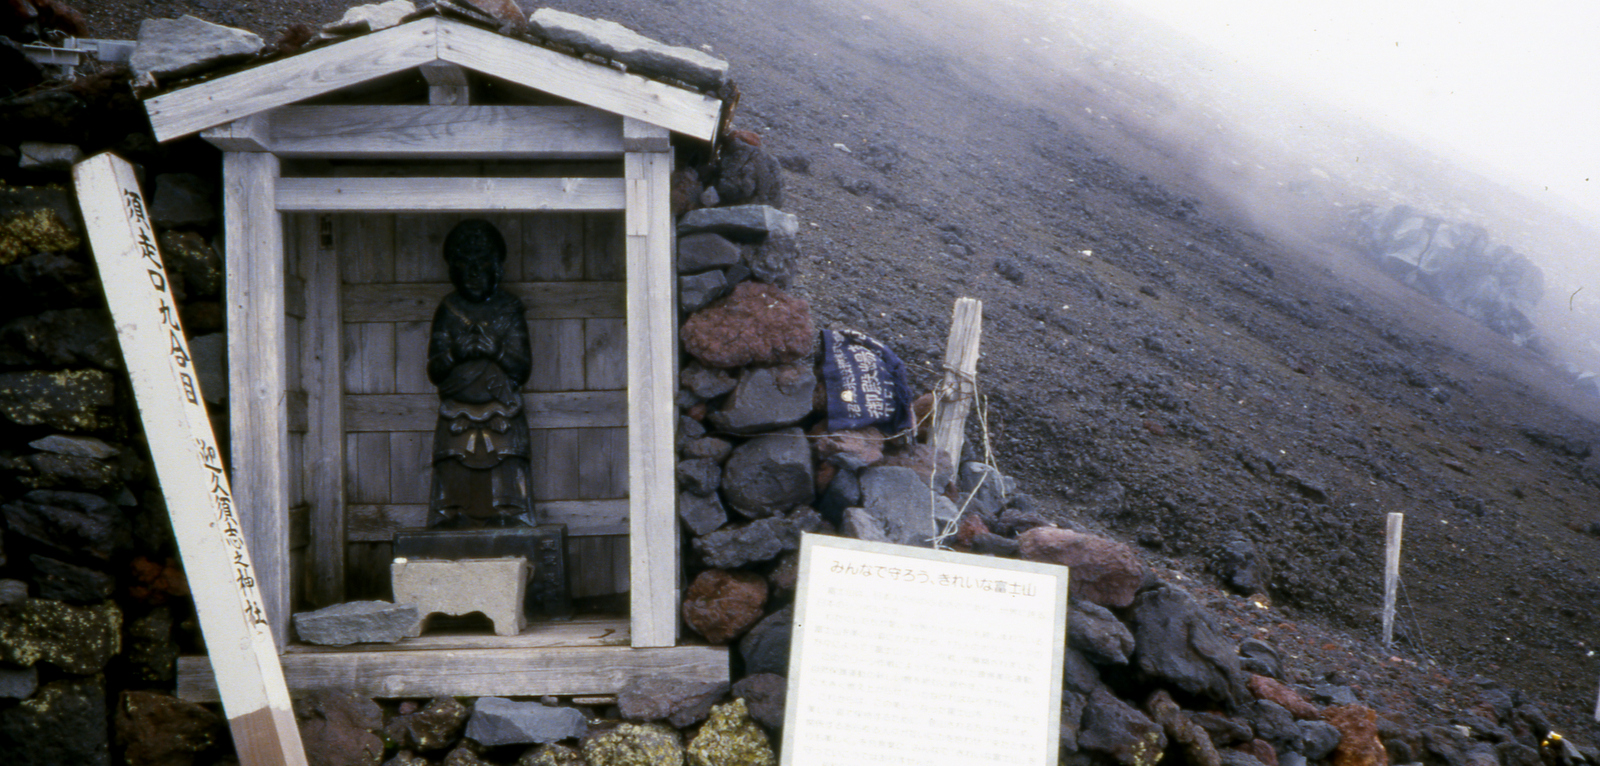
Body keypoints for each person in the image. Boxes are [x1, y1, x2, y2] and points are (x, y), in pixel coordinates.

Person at [426, 220, 536, 528]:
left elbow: (522, 368)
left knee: (507, 481)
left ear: (497, 268)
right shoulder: (449, 309)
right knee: (453, 480)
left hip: (503, 413)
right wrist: (455, 353)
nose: (474, 273)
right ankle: (452, 523)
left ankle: (510, 519)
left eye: (482, 262)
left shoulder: (509, 309)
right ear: (453, 269)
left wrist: (496, 351)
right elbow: (435, 370)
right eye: (465, 263)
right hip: (456, 414)